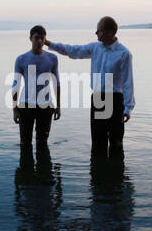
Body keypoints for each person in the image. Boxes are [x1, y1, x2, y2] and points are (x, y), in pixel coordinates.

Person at [45, 16, 134, 157]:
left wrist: (128, 107)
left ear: (110, 32)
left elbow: (128, 82)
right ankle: (98, 176)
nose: (96, 33)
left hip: (115, 99)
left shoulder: (124, 53)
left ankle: (116, 176)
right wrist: (49, 43)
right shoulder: (95, 48)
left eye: (99, 30)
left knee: (116, 143)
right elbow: (73, 50)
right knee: (98, 143)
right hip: (98, 98)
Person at [12, 25, 60, 150]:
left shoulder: (52, 58)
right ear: (30, 39)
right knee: (25, 143)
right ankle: (26, 169)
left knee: (42, 143)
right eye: (36, 38)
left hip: (45, 105)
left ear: (45, 40)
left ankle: (43, 169)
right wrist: (14, 109)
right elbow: (15, 85)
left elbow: (57, 83)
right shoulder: (21, 59)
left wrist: (58, 106)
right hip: (26, 105)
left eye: (42, 38)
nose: (39, 41)